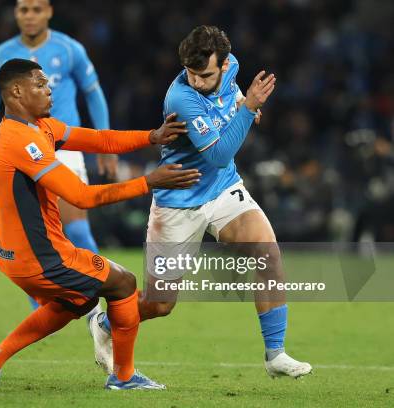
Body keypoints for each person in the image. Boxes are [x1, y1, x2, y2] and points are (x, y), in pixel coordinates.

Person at [91, 25, 312, 379]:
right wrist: (248, 109)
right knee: (160, 304)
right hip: (178, 201)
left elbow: (231, 101)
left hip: (223, 190)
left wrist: (242, 105)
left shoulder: (233, 68)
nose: (196, 80)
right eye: (190, 73)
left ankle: (275, 354)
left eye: (204, 74)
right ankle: (104, 322)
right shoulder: (181, 98)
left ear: (224, 65)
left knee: (267, 252)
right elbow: (219, 154)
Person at [0, 58, 200, 389]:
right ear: (16, 91)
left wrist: (152, 136)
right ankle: (124, 376)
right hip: (39, 258)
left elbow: (100, 140)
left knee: (78, 300)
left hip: (15, 254)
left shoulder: (40, 127)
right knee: (122, 283)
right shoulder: (20, 141)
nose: (50, 90)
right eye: (40, 84)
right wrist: (149, 182)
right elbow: (81, 197)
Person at [0, 0, 114, 312]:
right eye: (24, 9)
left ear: (49, 12)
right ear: (16, 14)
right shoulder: (2, 54)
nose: (30, 16)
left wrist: (105, 142)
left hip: (63, 147)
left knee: (76, 227)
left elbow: (93, 92)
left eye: (36, 9)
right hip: (22, 148)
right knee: (29, 236)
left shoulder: (69, 49)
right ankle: (43, 312)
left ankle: (104, 303)